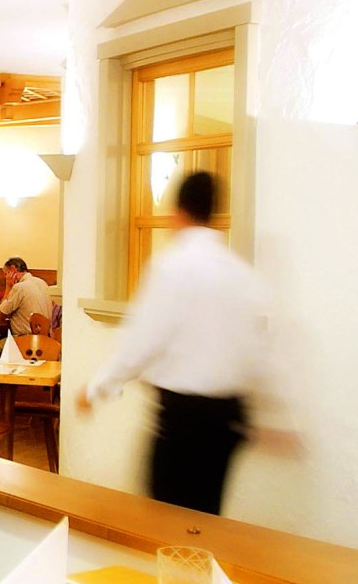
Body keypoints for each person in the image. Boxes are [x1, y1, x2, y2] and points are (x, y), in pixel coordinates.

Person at [78, 171, 269, 516]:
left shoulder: (173, 266)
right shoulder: (240, 273)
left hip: (185, 417)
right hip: (228, 416)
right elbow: (254, 348)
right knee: (205, 519)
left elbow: (142, 343)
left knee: (166, 522)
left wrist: (96, 387)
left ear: (179, 211)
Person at [0, 256, 52, 352]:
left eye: (5, 274)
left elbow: (1, 314)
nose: (5, 277)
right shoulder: (43, 283)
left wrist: (8, 287)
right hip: (45, 341)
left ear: (13, 270)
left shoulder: (20, 287)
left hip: (24, 341)